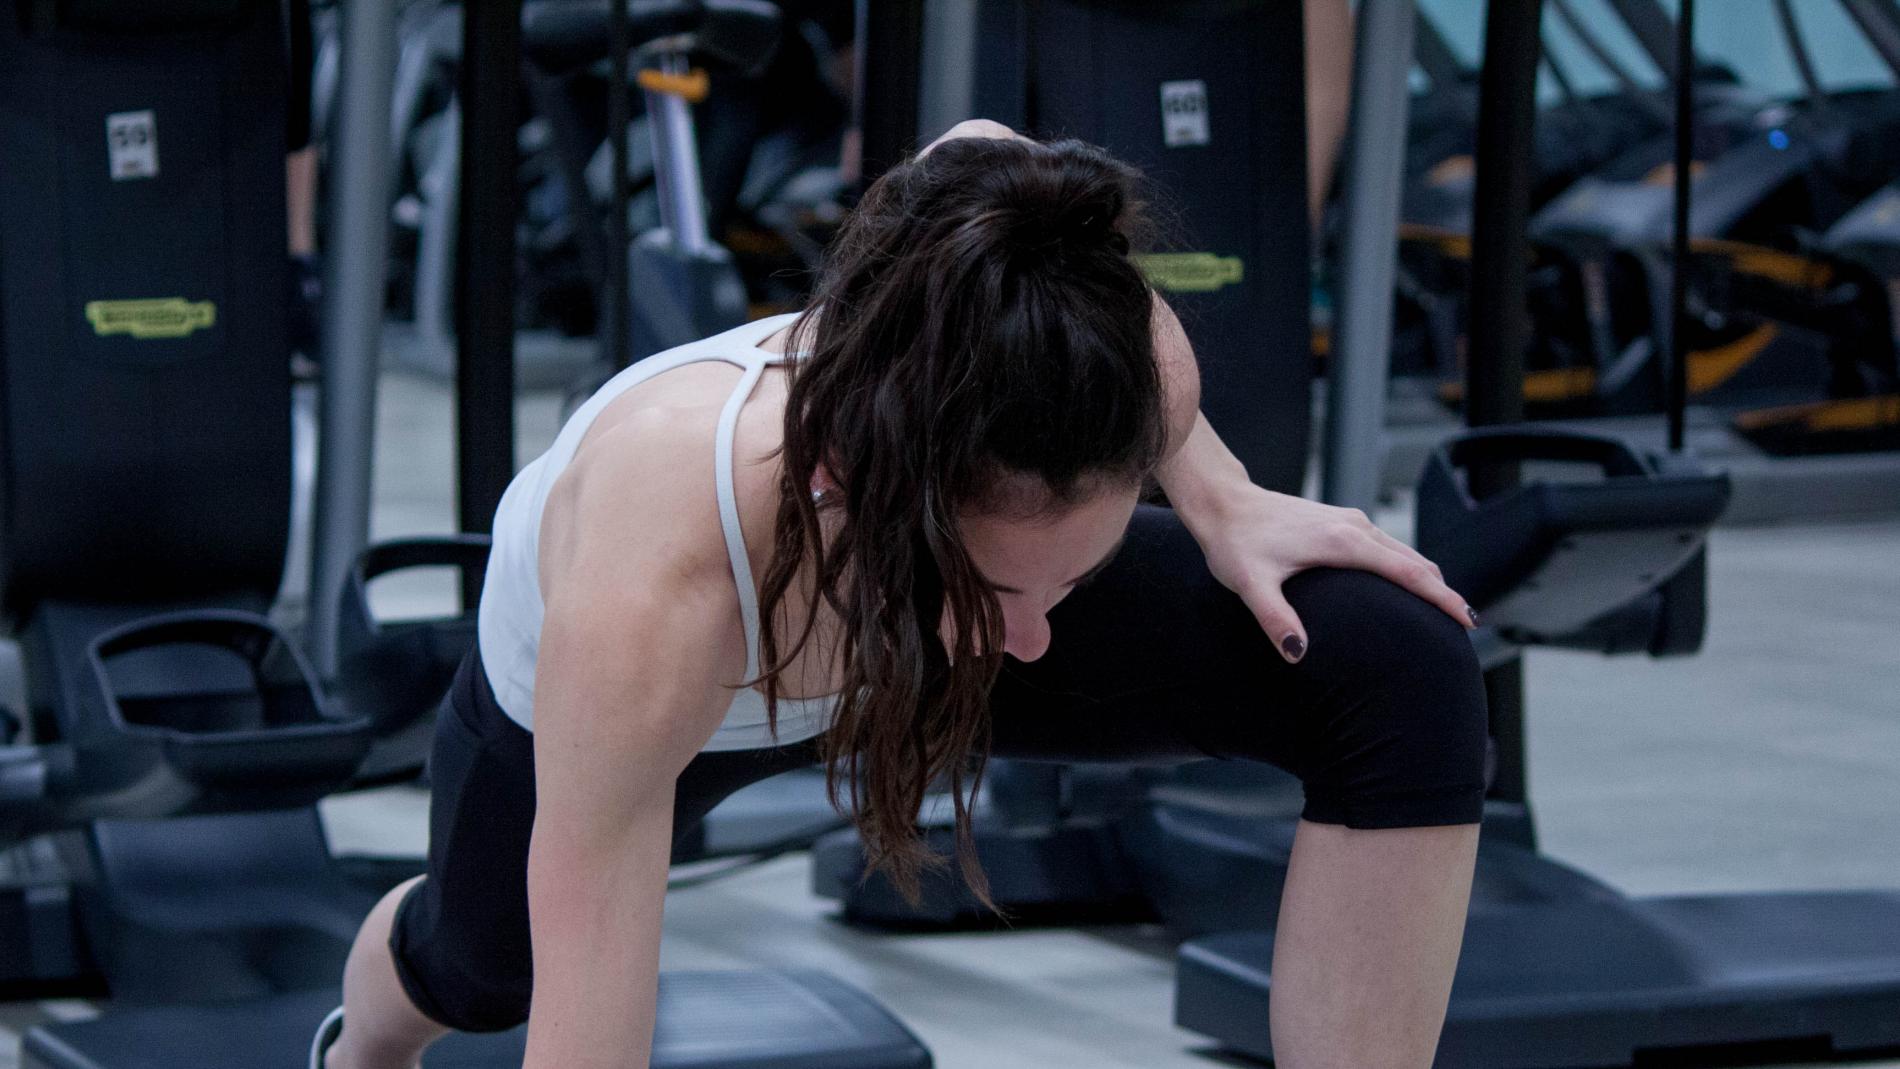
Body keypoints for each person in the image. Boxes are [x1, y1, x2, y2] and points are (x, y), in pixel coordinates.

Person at [314, 120, 1488, 1069]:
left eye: (1070, 578)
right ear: (853, 483)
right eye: (997, 590)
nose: (1032, 643)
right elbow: (590, 1041)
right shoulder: (651, 593)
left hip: (898, 622)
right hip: (677, 688)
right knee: (478, 968)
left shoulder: (1106, 355)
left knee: (1388, 658)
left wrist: (1225, 499)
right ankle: (360, 1045)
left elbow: (982, 158)